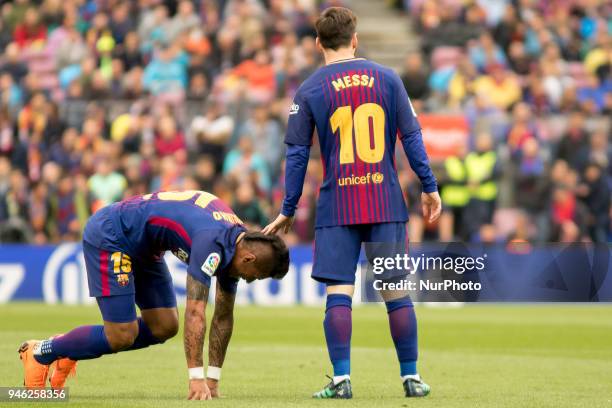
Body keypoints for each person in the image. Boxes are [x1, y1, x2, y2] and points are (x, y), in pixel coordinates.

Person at [263, 7, 441, 399]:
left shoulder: (309, 90)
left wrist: (287, 209)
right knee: (395, 291)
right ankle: (410, 377)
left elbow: (296, 155)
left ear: (317, 44)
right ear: (355, 39)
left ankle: (342, 381)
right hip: (384, 201)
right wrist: (429, 186)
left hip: (337, 205)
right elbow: (411, 138)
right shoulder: (388, 79)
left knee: (338, 293)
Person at [19, 190, 289, 400]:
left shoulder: (237, 244)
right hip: (113, 234)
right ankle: (43, 352)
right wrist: (196, 378)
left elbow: (223, 316)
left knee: (165, 326)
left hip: (146, 247)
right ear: (250, 258)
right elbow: (196, 311)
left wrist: (213, 380)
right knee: (121, 335)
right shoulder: (212, 242)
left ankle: (69, 347)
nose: (251, 281)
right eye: (257, 276)